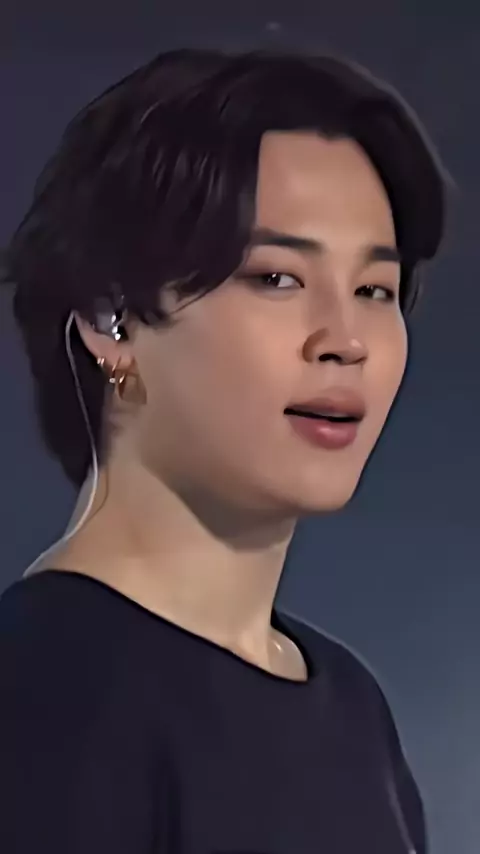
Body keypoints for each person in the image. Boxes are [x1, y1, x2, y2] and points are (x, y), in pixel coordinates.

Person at [0, 48, 445, 853]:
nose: (346, 339)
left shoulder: (352, 707)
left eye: (374, 290)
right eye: (277, 278)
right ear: (110, 319)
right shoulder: (41, 694)